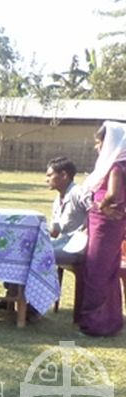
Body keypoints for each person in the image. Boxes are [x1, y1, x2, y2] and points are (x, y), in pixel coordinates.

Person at [78, 121, 126, 337]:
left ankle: (94, 323)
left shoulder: (116, 165)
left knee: (97, 271)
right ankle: (110, 319)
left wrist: (102, 205)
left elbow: (113, 194)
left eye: (99, 143)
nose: (97, 147)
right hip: (109, 224)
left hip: (105, 224)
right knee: (108, 270)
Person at [45, 156, 92, 265]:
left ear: (64, 175)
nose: (46, 179)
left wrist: (86, 230)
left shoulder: (78, 192)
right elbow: (54, 232)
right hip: (63, 242)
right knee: (29, 251)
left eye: (50, 175)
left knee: (40, 255)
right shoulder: (58, 200)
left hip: (77, 248)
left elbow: (95, 211)